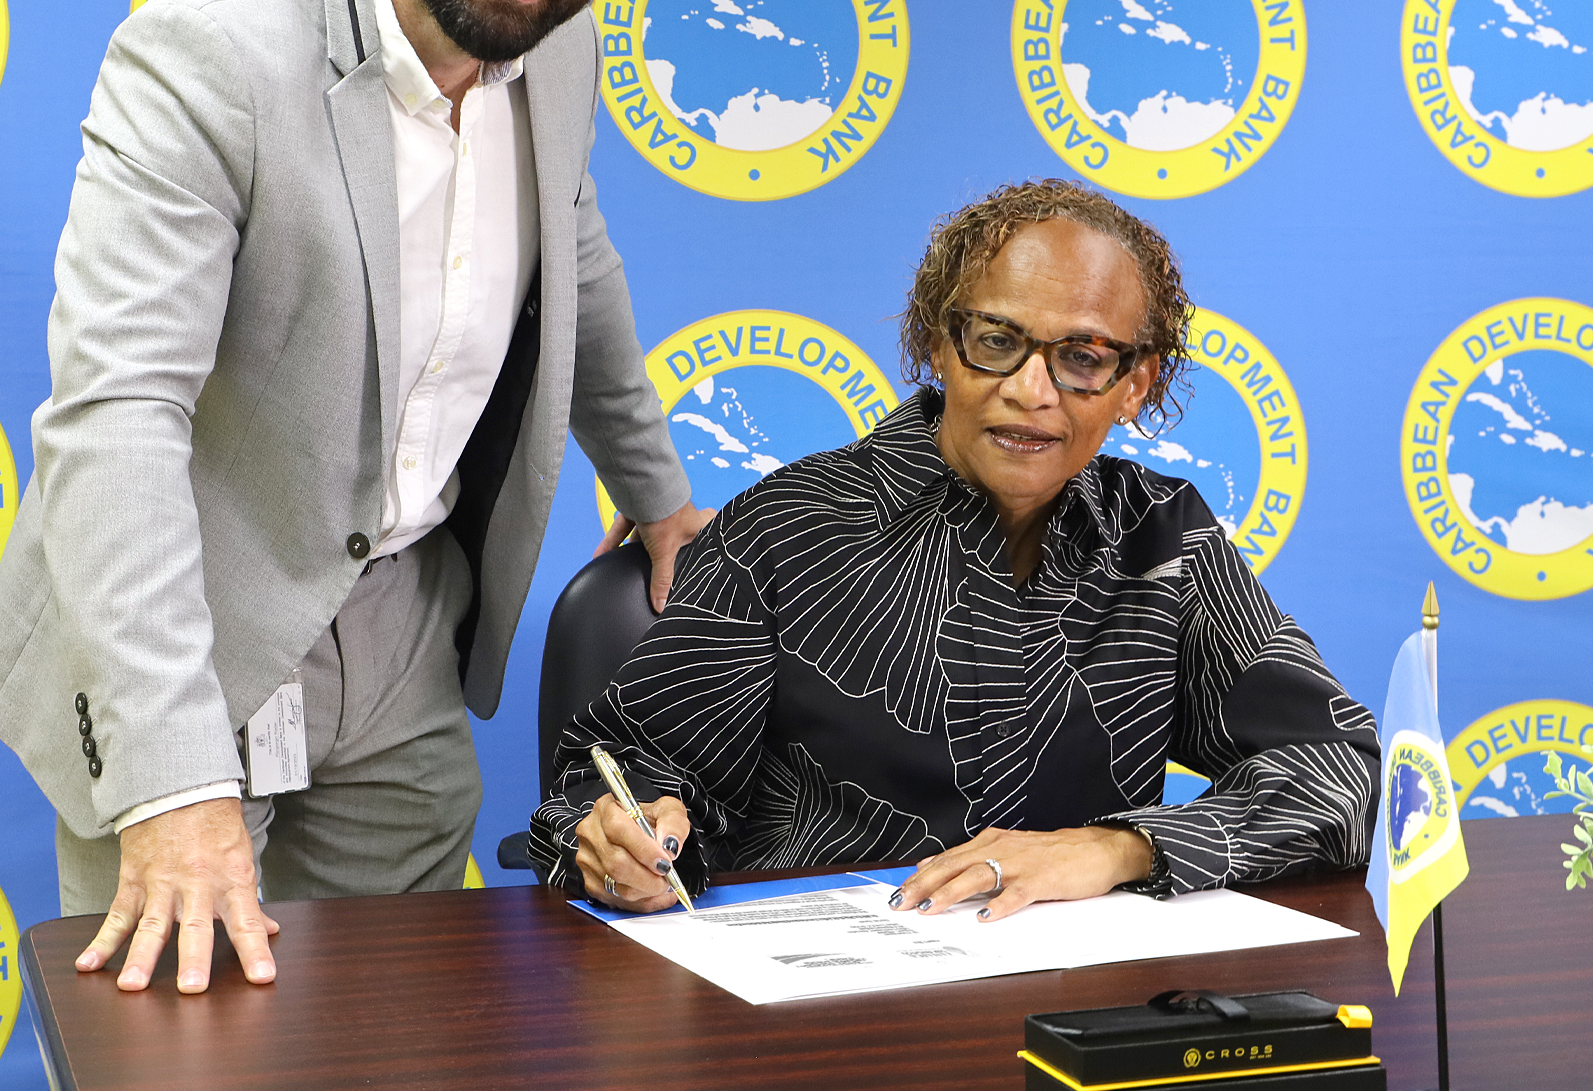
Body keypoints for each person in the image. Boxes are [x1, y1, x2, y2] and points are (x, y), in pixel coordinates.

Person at [0, 0, 711, 994]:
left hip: (411, 626)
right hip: (191, 623)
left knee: (400, 1031)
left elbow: (574, 253)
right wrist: (173, 783)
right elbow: (117, 421)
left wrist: (657, 498)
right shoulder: (207, 58)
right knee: (190, 1044)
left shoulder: (562, 38)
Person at [533, 178, 1378, 919]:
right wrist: (620, 836)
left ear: (1135, 384)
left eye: (1082, 358)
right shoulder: (787, 527)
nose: (1031, 390)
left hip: (1074, 1005)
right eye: (997, 341)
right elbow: (616, 775)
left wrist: (1118, 849)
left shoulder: (1163, 539)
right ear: (936, 345)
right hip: (815, 1011)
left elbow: (1343, 774)